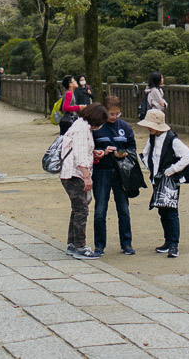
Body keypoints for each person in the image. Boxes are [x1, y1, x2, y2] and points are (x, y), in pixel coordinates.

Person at [138, 108, 189, 258]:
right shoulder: (152, 138)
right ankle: (168, 241)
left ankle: (174, 243)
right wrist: (151, 168)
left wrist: (173, 169)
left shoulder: (172, 140)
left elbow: (188, 155)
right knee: (162, 210)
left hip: (170, 180)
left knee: (171, 210)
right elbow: (145, 153)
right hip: (157, 178)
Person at [60, 101, 108, 260]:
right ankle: (79, 245)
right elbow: (80, 156)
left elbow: (81, 150)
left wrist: (94, 153)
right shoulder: (82, 129)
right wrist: (87, 178)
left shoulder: (80, 125)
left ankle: (73, 243)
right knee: (81, 210)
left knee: (77, 208)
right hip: (75, 174)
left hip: (72, 172)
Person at [92, 95, 137, 256]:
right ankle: (99, 245)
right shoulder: (96, 128)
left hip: (120, 171)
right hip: (101, 171)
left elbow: (132, 147)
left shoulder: (124, 127)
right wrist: (102, 153)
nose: (114, 117)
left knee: (123, 209)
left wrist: (122, 153)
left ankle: (126, 243)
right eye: (112, 113)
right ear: (104, 111)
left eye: (117, 113)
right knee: (100, 209)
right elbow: (89, 150)